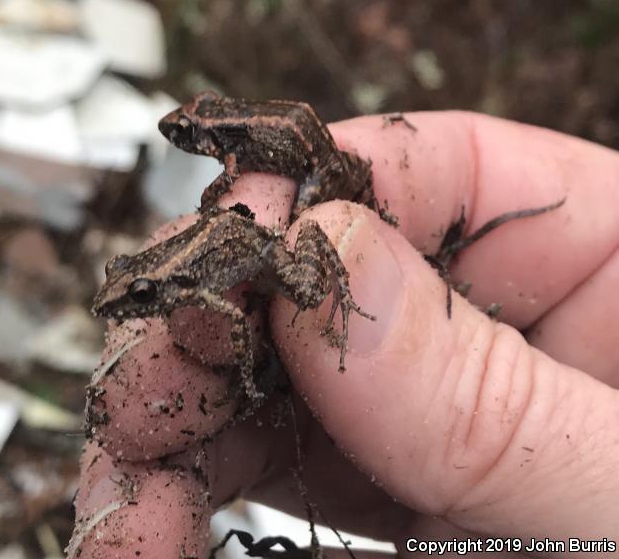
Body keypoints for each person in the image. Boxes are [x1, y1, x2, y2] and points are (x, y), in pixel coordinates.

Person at [68, 111, 619, 558]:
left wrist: (246, 377)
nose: (126, 304)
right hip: (240, 235)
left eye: (139, 295)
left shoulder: (190, 289)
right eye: (133, 290)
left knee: (307, 294)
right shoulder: (179, 288)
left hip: (263, 249)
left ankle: (350, 287)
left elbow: (236, 322)